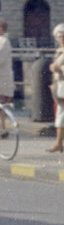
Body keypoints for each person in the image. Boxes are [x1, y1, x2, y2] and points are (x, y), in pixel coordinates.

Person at [48, 24, 64, 153]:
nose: (62, 39)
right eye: (59, 37)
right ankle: (59, 142)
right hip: (60, 86)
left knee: (61, 115)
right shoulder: (59, 51)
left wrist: (59, 69)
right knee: (60, 114)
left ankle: (59, 142)